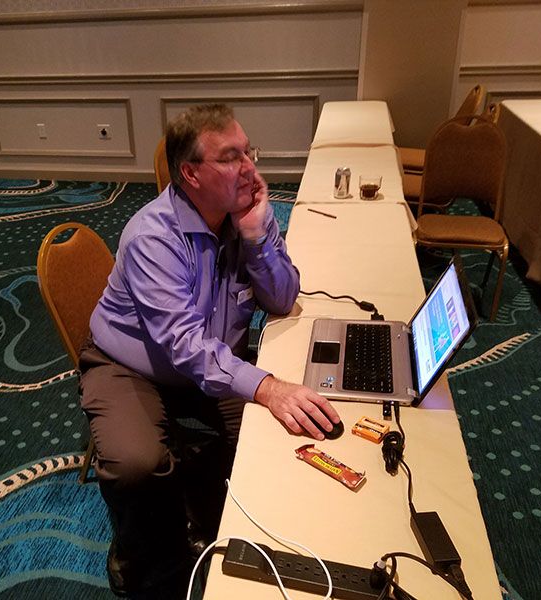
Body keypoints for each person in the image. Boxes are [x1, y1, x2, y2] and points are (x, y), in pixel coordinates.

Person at [79, 103, 340, 597]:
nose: (249, 168)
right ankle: (134, 548)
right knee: (136, 463)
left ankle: (198, 503)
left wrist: (256, 235)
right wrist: (266, 386)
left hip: (210, 361)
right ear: (191, 173)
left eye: (248, 151)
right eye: (230, 157)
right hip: (129, 364)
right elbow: (184, 345)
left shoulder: (245, 213)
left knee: (278, 435)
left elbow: (283, 297)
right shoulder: (154, 237)